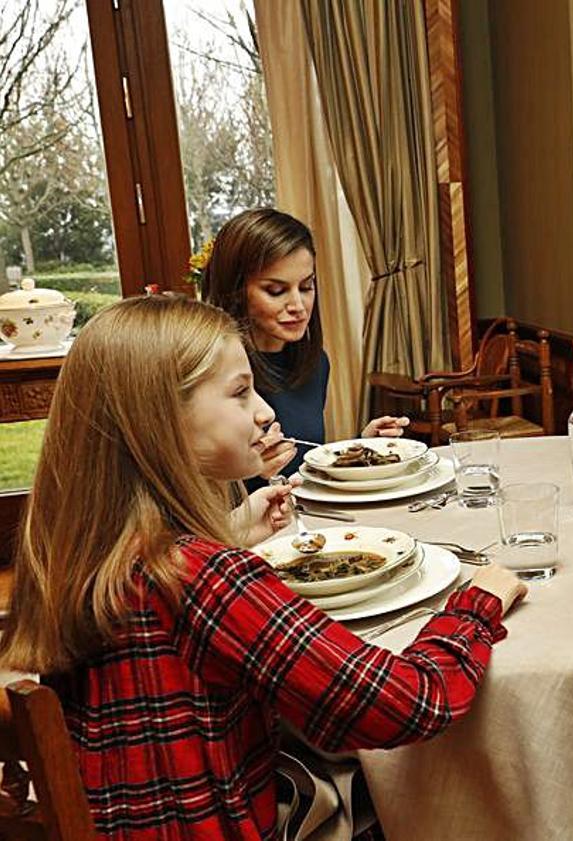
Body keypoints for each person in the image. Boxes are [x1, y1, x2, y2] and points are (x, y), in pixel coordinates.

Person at [0, 295, 526, 839]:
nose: (266, 411)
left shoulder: (82, 550)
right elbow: (405, 703)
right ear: (158, 419)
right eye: (239, 392)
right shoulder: (205, 579)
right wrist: (477, 604)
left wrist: (227, 533)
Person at [202, 208, 407, 485]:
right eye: (276, 291)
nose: (298, 306)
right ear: (236, 291)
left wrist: (360, 449)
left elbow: (302, 465)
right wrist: (249, 472)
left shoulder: (315, 364)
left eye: (307, 286)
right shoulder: (210, 373)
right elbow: (191, 499)